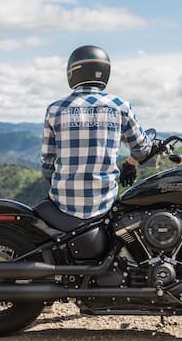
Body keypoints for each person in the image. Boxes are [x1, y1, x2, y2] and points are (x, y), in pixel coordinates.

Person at [40, 45, 154, 219]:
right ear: (104, 71)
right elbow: (143, 149)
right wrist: (130, 164)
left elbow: (48, 164)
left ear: (73, 71)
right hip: (105, 205)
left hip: (62, 204)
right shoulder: (120, 106)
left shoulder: (55, 109)